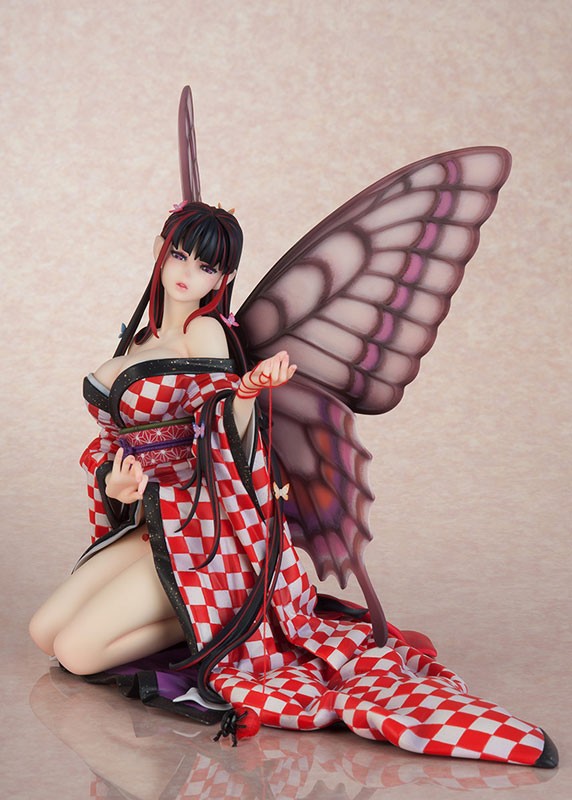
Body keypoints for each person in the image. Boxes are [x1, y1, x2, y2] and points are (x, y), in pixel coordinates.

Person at [29, 201, 558, 767]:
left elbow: (221, 428)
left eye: (206, 266)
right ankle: (211, 620)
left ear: (223, 278)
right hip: (146, 521)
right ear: (160, 250)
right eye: (179, 255)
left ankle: (223, 622)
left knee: (77, 651)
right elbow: (113, 443)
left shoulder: (204, 333)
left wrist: (247, 393)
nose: (187, 273)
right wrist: (116, 482)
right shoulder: (137, 339)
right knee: (43, 632)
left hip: (201, 533)